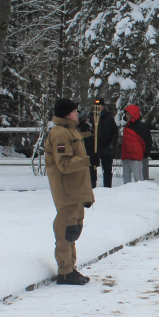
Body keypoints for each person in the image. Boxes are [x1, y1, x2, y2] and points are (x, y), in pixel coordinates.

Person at [46, 98, 97, 286]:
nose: (77, 113)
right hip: (66, 191)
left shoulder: (71, 131)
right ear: (66, 113)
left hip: (75, 189)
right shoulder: (60, 133)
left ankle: (70, 267)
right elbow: (65, 164)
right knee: (66, 230)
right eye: (74, 111)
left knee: (73, 231)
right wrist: (87, 160)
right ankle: (65, 271)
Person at [120, 104, 151, 183]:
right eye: (126, 114)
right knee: (126, 177)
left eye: (128, 114)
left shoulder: (140, 127)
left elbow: (147, 141)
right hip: (127, 155)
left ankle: (141, 192)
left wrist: (145, 154)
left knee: (138, 178)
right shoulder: (128, 126)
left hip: (136, 156)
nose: (126, 116)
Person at [92, 98, 118, 188]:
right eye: (96, 106)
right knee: (92, 167)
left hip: (106, 146)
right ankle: (92, 186)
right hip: (95, 147)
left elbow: (114, 132)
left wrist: (112, 145)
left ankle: (107, 187)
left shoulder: (109, 117)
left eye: (100, 106)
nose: (98, 108)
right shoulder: (91, 117)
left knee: (107, 169)